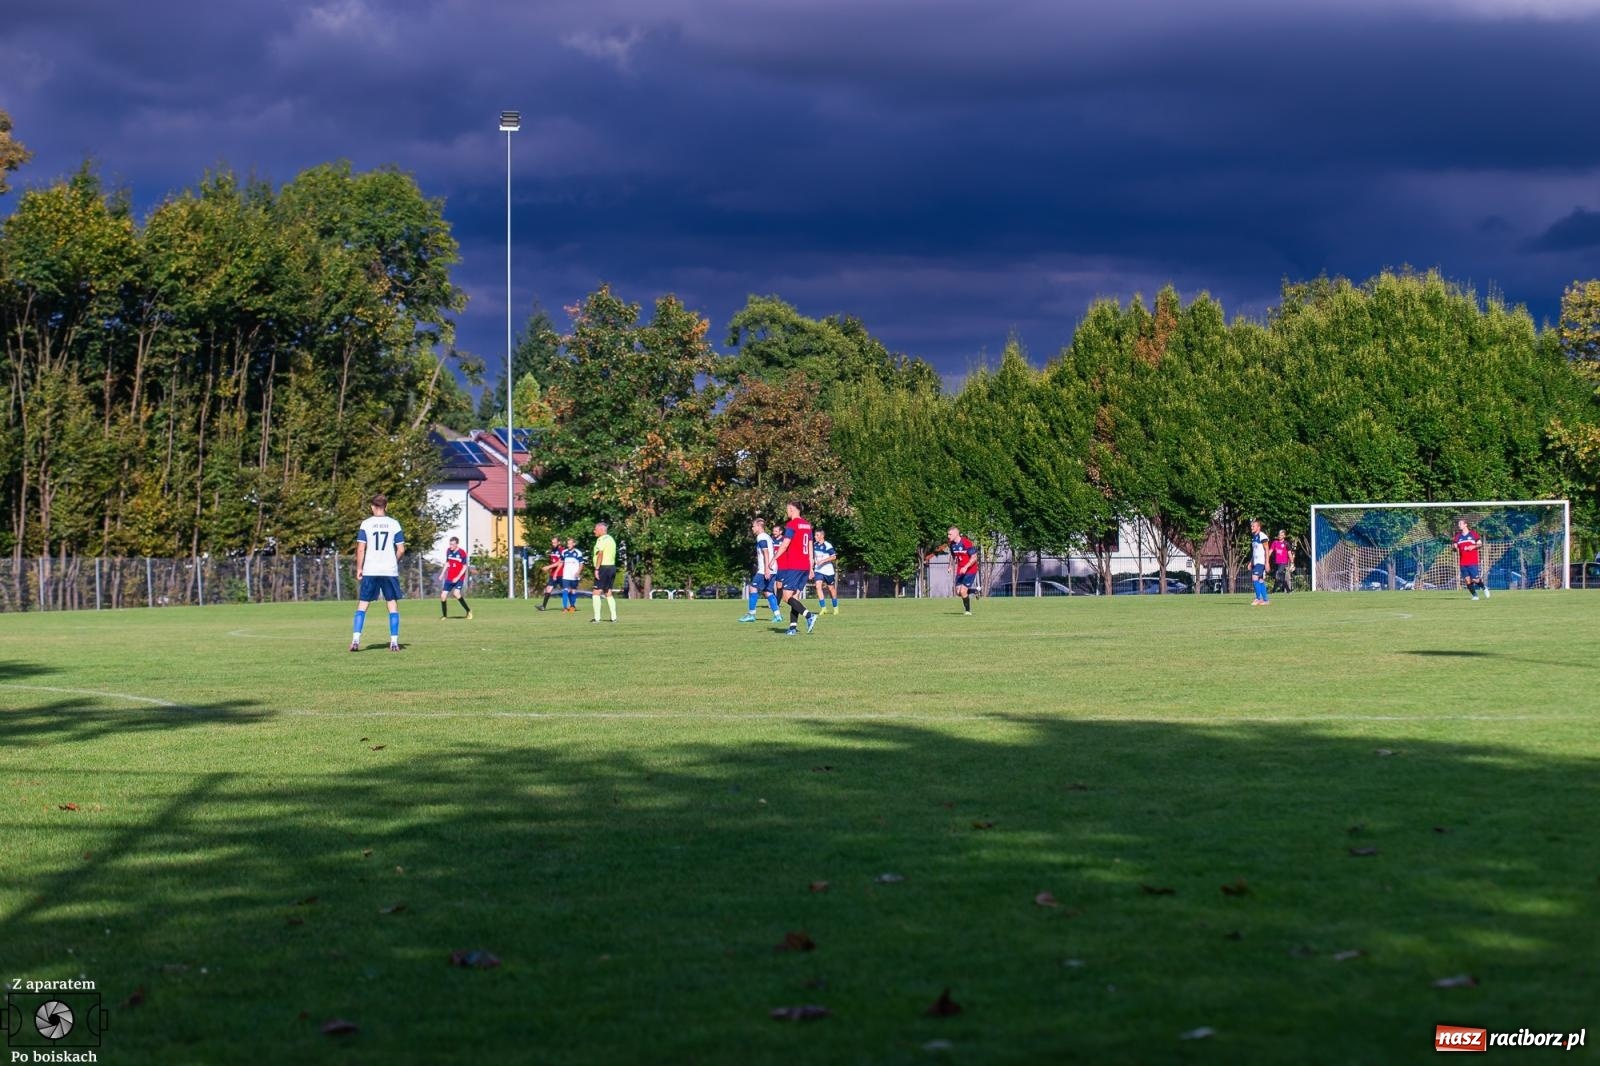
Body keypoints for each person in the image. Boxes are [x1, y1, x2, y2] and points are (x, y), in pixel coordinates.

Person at [351, 494, 405, 652]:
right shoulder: (394, 524)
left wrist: (359, 568)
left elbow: (361, 548)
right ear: (386, 506)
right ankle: (394, 641)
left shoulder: (366, 524)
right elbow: (401, 549)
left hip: (371, 569)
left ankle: (355, 640)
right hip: (389, 570)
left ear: (372, 507)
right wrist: (393, 561)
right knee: (392, 605)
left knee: (363, 605)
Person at [772, 502, 819, 636]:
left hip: (794, 565)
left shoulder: (792, 525)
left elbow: (785, 545)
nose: (787, 511)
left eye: (787, 509)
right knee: (795, 597)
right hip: (805, 566)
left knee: (786, 597)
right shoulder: (807, 525)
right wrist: (811, 567)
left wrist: (773, 558)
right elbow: (810, 546)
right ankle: (792, 628)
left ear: (792, 509)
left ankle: (809, 615)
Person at [740, 518, 781, 623]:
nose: (752, 528)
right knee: (768, 592)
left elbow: (765, 552)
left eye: (753, 526)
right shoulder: (768, 537)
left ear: (759, 526)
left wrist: (767, 568)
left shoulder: (761, 537)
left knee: (753, 588)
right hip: (773, 568)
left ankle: (751, 614)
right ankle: (777, 615)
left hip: (765, 569)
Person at [590, 521, 619, 623]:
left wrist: (597, 569)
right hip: (611, 567)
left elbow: (600, 554)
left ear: (602, 530)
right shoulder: (611, 539)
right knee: (608, 592)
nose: (594, 531)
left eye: (596, 529)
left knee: (596, 592)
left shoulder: (601, 539)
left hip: (603, 567)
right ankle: (614, 617)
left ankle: (597, 618)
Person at [1454, 518, 1489, 600]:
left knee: (1475, 579)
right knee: (1467, 581)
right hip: (1463, 562)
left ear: (1465, 525)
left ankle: (1484, 588)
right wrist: (1454, 547)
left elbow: (1480, 544)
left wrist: (1473, 546)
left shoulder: (1473, 534)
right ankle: (1475, 595)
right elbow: (1454, 547)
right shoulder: (1458, 536)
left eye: (1460, 524)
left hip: (1472, 561)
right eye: (1458, 524)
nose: (1459, 525)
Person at [439, 536, 473, 619]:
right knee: (443, 596)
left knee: (456, 594)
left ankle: (468, 611)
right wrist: (442, 574)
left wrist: (458, 577)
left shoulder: (462, 553)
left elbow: (464, 567)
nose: (451, 546)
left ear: (457, 544)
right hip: (450, 577)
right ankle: (444, 616)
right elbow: (447, 563)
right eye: (450, 544)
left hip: (459, 578)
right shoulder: (448, 551)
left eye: (453, 544)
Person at [946, 526, 978, 615]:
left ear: (956, 533)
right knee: (958, 592)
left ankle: (968, 611)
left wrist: (966, 567)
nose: (948, 536)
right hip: (960, 569)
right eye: (948, 534)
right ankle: (974, 591)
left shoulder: (966, 542)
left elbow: (974, 557)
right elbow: (953, 556)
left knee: (963, 591)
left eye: (950, 534)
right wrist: (950, 566)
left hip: (970, 569)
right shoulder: (952, 544)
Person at [812, 528, 840, 615]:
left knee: (831, 589)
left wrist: (823, 561)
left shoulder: (827, 545)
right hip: (818, 570)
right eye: (815, 535)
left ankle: (835, 607)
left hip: (828, 571)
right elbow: (814, 556)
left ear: (822, 536)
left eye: (817, 535)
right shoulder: (814, 545)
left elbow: (834, 556)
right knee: (818, 586)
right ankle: (823, 608)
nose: (815, 537)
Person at [558, 537, 585, 613]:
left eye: (570, 543)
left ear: (574, 544)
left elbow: (581, 564)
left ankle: (572, 606)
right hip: (566, 575)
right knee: (565, 590)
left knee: (573, 591)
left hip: (574, 576)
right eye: (568, 543)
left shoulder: (578, 553)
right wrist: (556, 572)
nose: (568, 545)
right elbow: (561, 562)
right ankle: (565, 608)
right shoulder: (564, 552)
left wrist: (578, 572)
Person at [537, 536, 562, 611]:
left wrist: (548, 567)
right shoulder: (552, 550)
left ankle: (572, 606)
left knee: (567, 590)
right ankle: (543, 606)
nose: (553, 544)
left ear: (559, 542)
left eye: (555, 542)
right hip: (553, 574)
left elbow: (559, 562)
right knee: (548, 589)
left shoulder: (561, 550)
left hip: (561, 573)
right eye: (552, 543)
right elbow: (553, 561)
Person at [1249, 519, 1270, 606]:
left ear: (1258, 527)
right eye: (1251, 526)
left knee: (1254, 577)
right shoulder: (1254, 537)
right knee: (1260, 580)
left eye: (1253, 526)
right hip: (1256, 562)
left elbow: (1267, 549)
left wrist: (1267, 562)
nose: (1252, 527)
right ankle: (1265, 600)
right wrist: (1251, 562)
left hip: (1261, 562)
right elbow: (1255, 551)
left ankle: (1258, 598)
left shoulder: (1262, 536)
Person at [1269, 529, 1293, 595]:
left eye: (1282, 535)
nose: (1280, 536)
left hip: (1283, 562)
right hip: (1276, 563)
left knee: (1278, 573)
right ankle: (1287, 590)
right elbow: (1270, 551)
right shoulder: (1275, 543)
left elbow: (1289, 554)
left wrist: (1292, 563)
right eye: (1279, 534)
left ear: (1284, 536)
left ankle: (1274, 591)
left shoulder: (1286, 543)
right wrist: (1266, 558)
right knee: (1280, 577)